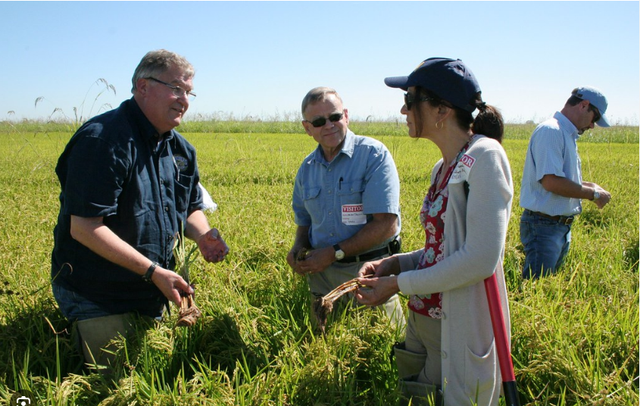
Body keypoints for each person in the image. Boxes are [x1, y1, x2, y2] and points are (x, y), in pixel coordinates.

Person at [51, 49, 229, 371]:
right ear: (142, 87)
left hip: (152, 287)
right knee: (120, 373)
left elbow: (188, 206)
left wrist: (203, 235)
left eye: (189, 92)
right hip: (98, 290)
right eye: (176, 88)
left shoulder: (180, 150)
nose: (184, 100)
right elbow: (85, 227)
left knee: (174, 363)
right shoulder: (103, 141)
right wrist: (153, 272)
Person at [355, 58, 513, 406]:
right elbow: (440, 250)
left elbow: (480, 259)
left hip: (459, 323)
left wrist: (397, 285)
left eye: (410, 99)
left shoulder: (485, 156)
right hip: (423, 316)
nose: (402, 109)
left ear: (441, 110)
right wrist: (394, 265)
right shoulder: (441, 168)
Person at [287, 87, 405, 329]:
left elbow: (386, 224)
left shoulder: (373, 155)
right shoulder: (307, 169)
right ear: (307, 128)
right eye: (319, 121)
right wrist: (298, 249)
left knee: (385, 350)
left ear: (346, 116)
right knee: (323, 349)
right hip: (322, 279)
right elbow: (305, 222)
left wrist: (333, 253)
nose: (329, 125)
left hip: (368, 275)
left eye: (335, 117)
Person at [519, 87, 612, 279]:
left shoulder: (565, 134)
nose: (592, 126)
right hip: (544, 226)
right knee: (538, 289)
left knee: (548, 287)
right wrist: (592, 195)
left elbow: (561, 178)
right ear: (583, 105)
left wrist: (591, 186)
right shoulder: (551, 131)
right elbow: (551, 182)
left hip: (556, 226)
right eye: (594, 118)